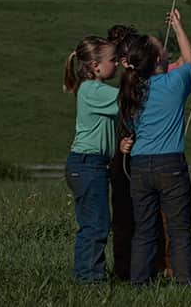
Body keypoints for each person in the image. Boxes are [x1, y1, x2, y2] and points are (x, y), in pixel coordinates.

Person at [106, 19, 191, 282]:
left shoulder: (133, 91)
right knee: (179, 230)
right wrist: (180, 28)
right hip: (171, 166)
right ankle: (186, 283)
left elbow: (132, 125)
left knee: (144, 230)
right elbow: (189, 60)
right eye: (162, 47)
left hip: (140, 166)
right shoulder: (174, 83)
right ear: (159, 58)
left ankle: (138, 284)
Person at [63, 35, 120, 283]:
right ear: (96, 66)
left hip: (90, 165)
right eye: (113, 60)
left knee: (94, 223)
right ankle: (88, 279)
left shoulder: (93, 89)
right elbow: (127, 102)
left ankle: (88, 275)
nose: (117, 64)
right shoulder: (92, 90)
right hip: (88, 164)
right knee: (95, 225)